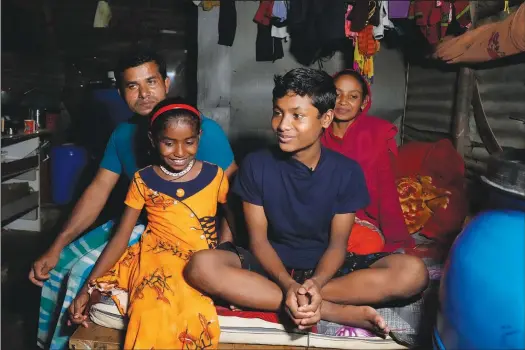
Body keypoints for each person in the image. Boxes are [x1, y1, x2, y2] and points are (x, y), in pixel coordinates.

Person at [184, 68, 429, 333]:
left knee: (413, 273)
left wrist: (317, 283)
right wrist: (287, 285)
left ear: (325, 118)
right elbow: (259, 241)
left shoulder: (346, 172)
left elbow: (337, 244)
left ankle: (298, 298)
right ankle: (330, 309)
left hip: (325, 268)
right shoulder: (256, 165)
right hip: (269, 266)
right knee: (201, 266)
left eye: (297, 116)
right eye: (278, 112)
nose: (283, 125)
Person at [30, 49, 237, 349]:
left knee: (82, 274)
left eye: (151, 82)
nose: (144, 93)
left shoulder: (198, 131)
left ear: (166, 83)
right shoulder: (122, 134)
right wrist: (56, 246)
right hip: (135, 220)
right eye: (132, 86)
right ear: (120, 93)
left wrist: (225, 253)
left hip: (184, 233)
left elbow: (236, 201)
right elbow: (97, 192)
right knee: (57, 268)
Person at [68, 99, 228, 349]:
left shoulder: (216, 176)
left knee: (194, 310)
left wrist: (225, 254)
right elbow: (121, 236)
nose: (179, 152)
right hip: (155, 256)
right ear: (153, 140)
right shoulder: (143, 180)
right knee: (151, 307)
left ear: (199, 137)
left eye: (189, 142)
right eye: (168, 142)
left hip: (200, 257)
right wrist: (87, 288)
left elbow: (231, 220)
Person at [321, 69, 414, 254]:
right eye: (337, 94)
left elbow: (386, 191)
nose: (343, 101)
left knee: (369, 244)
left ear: (364, 103)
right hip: (321, 217)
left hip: (359, 219)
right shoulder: (315, 133)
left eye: (353, 96)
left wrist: (396, 240)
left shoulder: (377, 134)